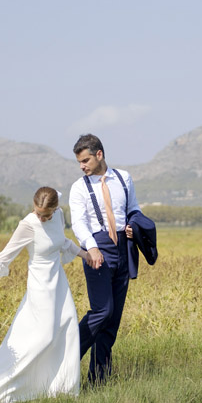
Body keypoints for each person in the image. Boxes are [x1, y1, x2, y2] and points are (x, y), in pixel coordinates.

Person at [0, 186, 90, 403]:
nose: (42, 218)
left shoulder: (59, 216)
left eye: (46, 215)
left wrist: (86, 255)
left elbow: (62, 242)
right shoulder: (28, 224)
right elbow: (6, 255)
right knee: (42, 337)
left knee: (67, 329)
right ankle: (2, 386)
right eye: (38, 213)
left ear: (56, 209)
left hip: (58, 283)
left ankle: (61, 389)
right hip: (39, 286)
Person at [69, 134, 139, 384]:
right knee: (102, 310)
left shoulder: (124, 178)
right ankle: (66, 358)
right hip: (96, 249)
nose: (82, 166)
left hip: (123, 248)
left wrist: (133, 226)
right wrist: (92, 247)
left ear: (99, 154)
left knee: (113, 318)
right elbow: (78, 222)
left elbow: (134, 209)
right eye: (79, 162)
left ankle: (99, 379)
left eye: (85, 160)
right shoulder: (79, 187)